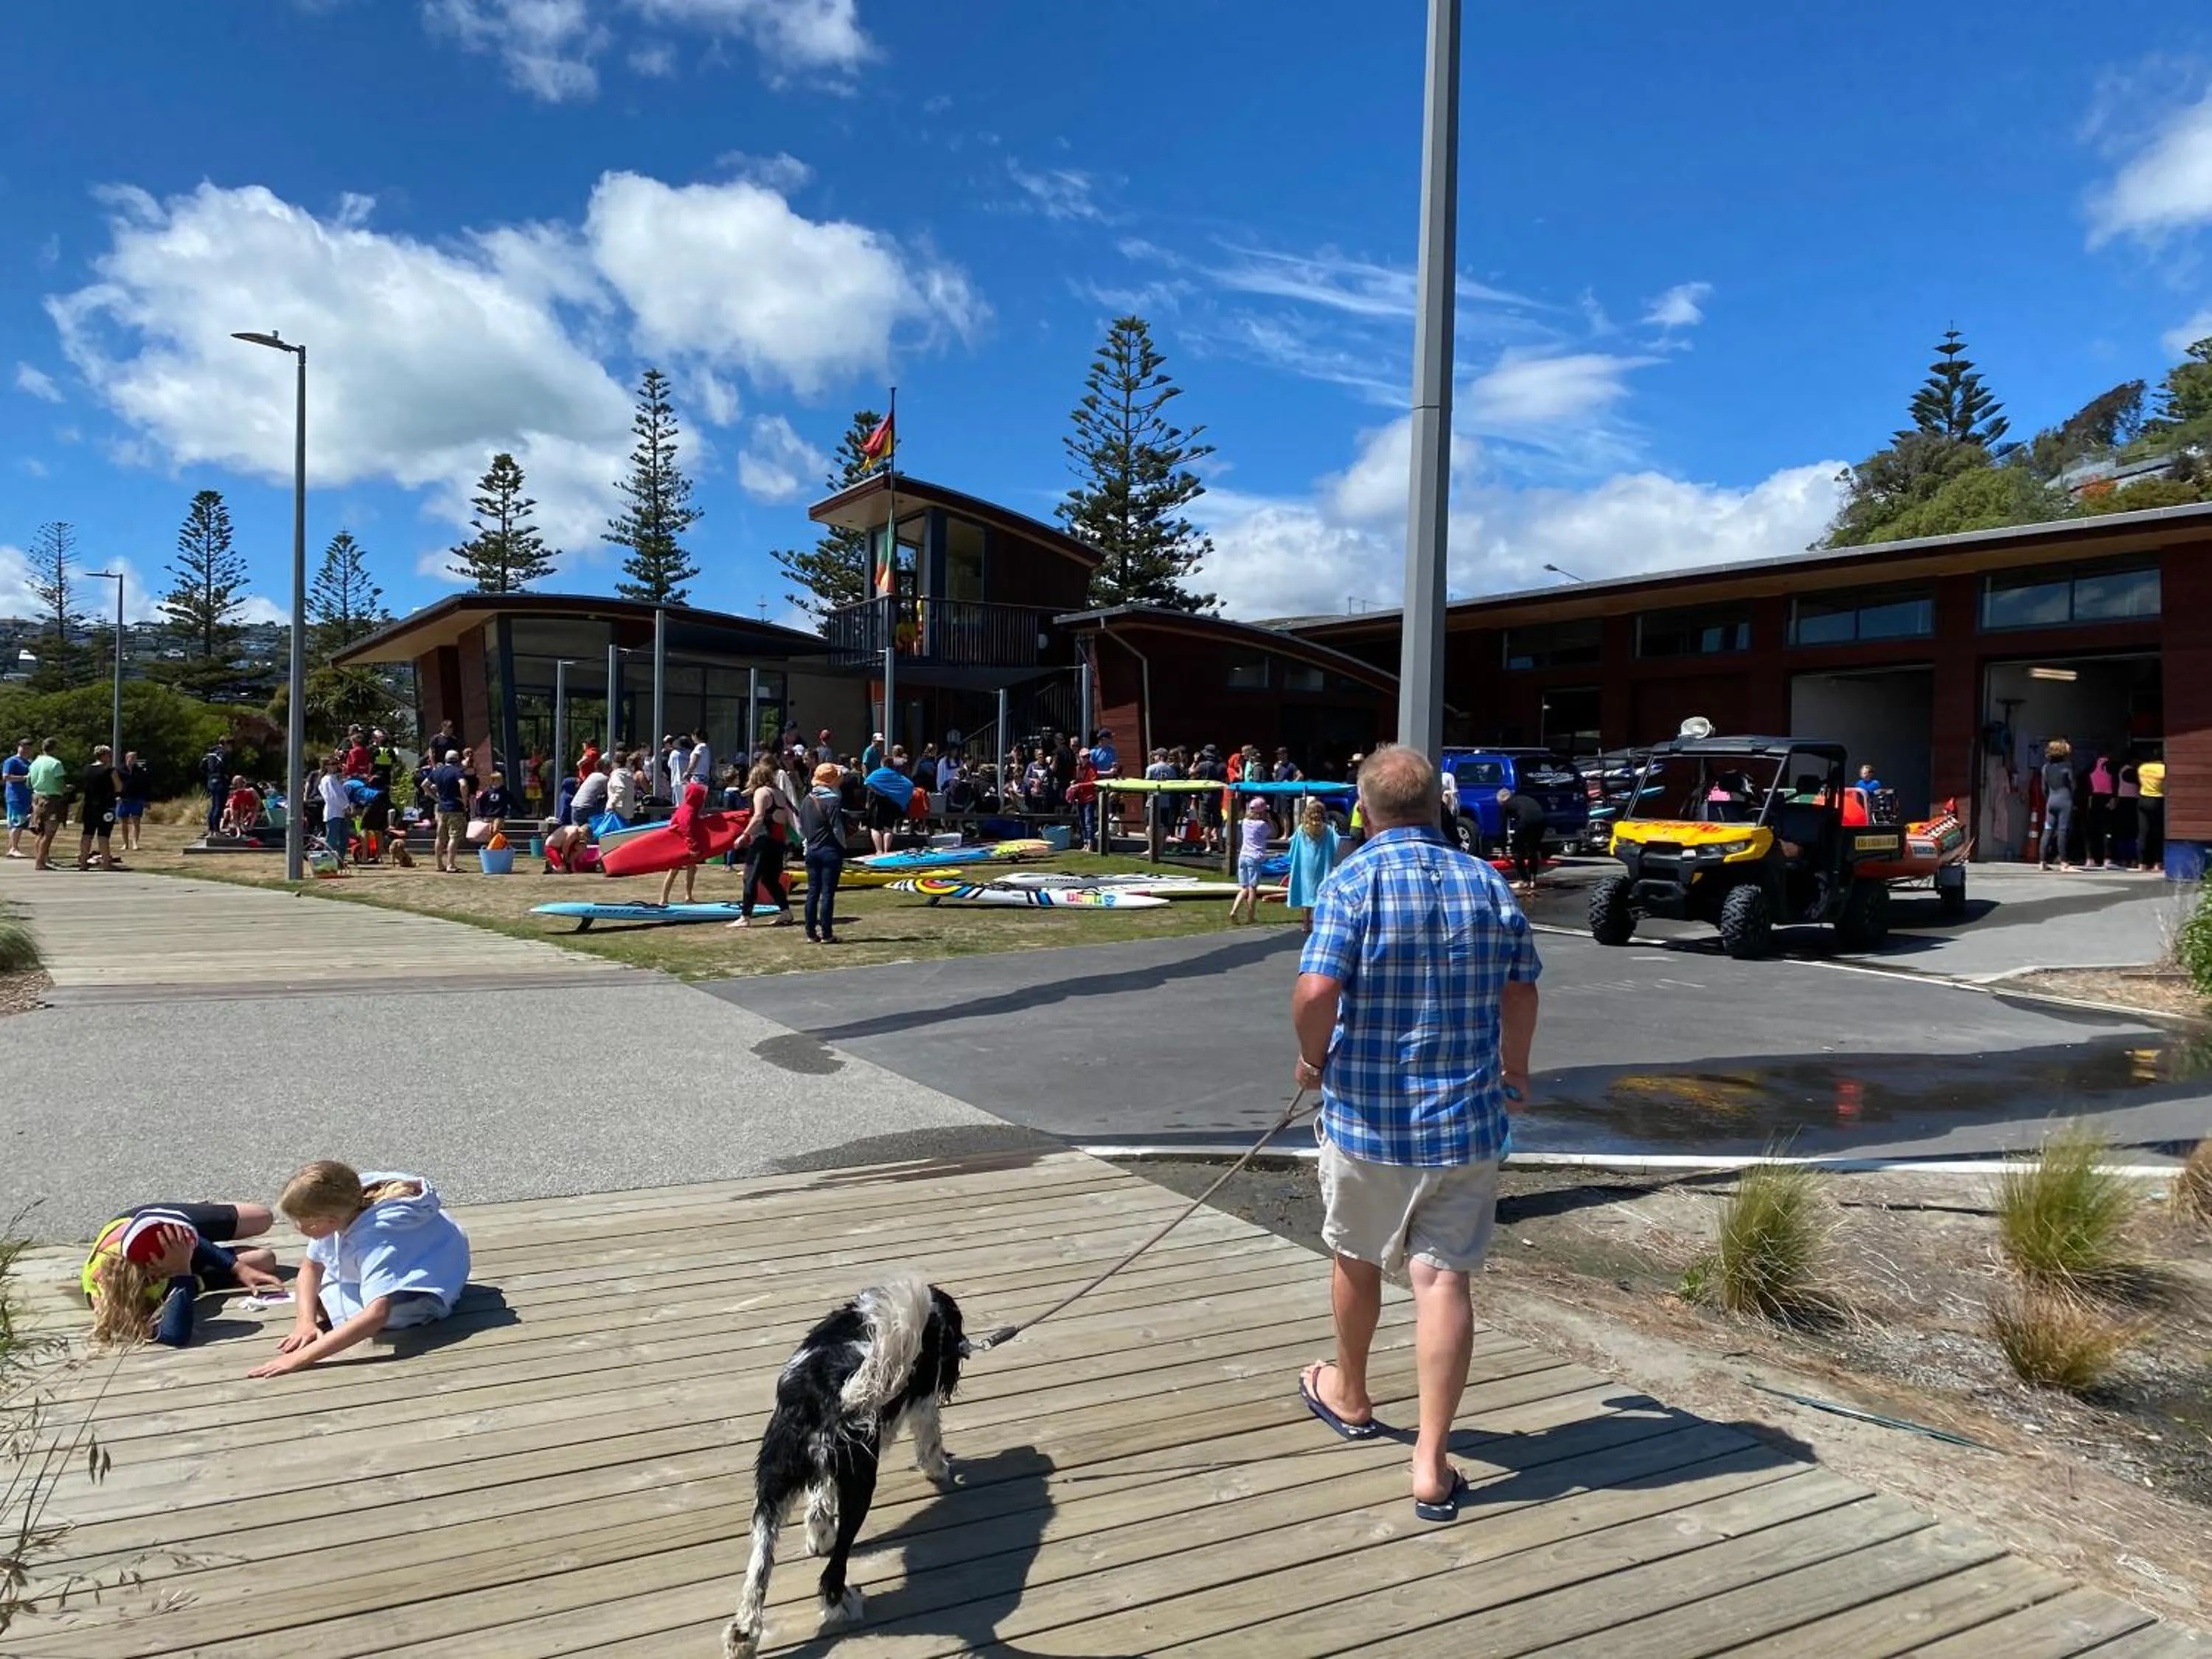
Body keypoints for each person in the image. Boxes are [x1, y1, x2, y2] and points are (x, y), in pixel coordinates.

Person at [1291, 746, 1540, 1522]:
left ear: (1365, 812)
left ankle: (1351, 1393)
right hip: (1466, 1120)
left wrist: (1311, 1059)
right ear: (1438, 806)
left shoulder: (1352, 881)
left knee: (1356, 1257)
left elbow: (1317, 988)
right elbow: (1522, 988)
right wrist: (1517, 1068)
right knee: (1444, 1280)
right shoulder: (1487, 881)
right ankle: (1431, 1460)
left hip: (1369, 1119)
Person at [248, 1161, 470, 1379]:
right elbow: (311, 1265)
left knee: (350, 1314)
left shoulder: (373, 1240)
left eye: (302, 1222)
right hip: (423, 1252)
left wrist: (299, 1359)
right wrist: (304, 1323)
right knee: (321, 1294)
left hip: (431, 1283)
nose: (297, 1227)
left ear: (330, 1220)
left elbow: (377, 1315)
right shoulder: (345, 1205)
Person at [83, 1200, 283, 1349]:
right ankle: (198, 1282)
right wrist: (182, 1272)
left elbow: (189, 1242)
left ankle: (199, 1210)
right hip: (177, 1262)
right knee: (264, 1259)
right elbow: (175, 1335)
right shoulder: (109, 1300)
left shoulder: (148, 1244)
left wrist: (238, 1268)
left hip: (148, 1224)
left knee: (263, 1217)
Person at [730, 760, 796, 928]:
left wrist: (744, 835)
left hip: (763, 841)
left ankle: (745, 916)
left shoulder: (761, 792)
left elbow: (758, 817)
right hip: (778, 841)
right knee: (770, 879)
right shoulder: (778, 792)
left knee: (750, 877)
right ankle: (785, 911)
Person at [799, 762, 847, 944]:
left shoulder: (807, 799)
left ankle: (810, 933)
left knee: (813, 892)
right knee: (827, 893)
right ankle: (827, 933)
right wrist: (843, 847)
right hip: (829, 850)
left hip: (811, 849)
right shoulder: (833, 801)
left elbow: (802, 826)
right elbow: (837, 829)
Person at [1285, 796, 1340, 935]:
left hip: (1305, 865)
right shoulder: (1328, 830)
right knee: (1320, 893)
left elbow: (1292, 844)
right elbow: (1338, 843)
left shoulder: (1302, 830)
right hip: (1322, 864)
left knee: (1306, 893)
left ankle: (1306, 924)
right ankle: (1318, 923)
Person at [658, 780, 713, 907]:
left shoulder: (688, 808)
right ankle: (663, 899)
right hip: (681, 845)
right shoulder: (688, 811)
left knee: (692, 868)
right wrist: (693, 847)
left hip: (684, 844)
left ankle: (688, 897)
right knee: (674, 870)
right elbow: (686, 829)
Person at [1229, 796, 1273, 924]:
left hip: (1243, 856)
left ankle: (1234, 910)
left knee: (1244, 888)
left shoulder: (1245, 822)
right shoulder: (1262, 825)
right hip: (1254, 857)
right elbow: (1272, 832)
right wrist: (1269, 819)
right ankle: (1250, 916)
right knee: (1253, 888)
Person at [1500, 784, 1549, 896]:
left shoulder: (1506, 804)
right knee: (1532, 849)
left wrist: (1503, 850)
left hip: (1527, 820)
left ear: (1502, 800)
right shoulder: (1521, 798)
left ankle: (1523, 880)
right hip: (1542, 820)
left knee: (1515, 848)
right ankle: (1533, 880)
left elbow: (1502, 828)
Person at [75, 745, 119, 871]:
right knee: (104, 835)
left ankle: (83, 863)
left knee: (87, 833)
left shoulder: (87, 769)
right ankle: (106, 863)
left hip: (89, 805)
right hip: (105, 806)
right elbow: (119, 787)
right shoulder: (109, 770)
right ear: (105, 756)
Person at [28, 738, 68, 871]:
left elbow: (28, 782)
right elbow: (60, 783)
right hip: (52, 799)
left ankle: (40, 858)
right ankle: (40, 862)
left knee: (40, 831)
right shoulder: (56, 763)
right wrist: (65, 789)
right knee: (49, 832)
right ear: (54, 748)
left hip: (36, 797)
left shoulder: (34, 763)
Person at [430, 749, 470, 873]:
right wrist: (464, 801)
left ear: (446, 759)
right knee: (454, 836)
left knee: (440, 837)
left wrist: (435, 798)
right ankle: (451, 865)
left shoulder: (437, 771)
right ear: (457, 760)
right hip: (455, 808)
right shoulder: (457, 772)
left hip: (441, 808)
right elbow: (463, 784)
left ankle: (439, 864)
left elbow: (424, 785)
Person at [2039, 739, 2076, 873]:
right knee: (2062, 831)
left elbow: (2043, 788)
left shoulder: (2045, 768)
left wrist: (2048, 799)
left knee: (2048, 830)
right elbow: (2073, 785)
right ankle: (2064, 863)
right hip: (2064, 801)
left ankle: (2042, 862)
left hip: (2051, 801)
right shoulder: (2067, 766)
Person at [318, 753, 354, 867]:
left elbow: (341, 795)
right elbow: (333, 797)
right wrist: (345, 806)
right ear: (326, 766)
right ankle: (328, 863)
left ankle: (339, 861)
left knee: (344, 839)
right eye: (332, 764)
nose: (335, 766)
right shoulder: (327, 780)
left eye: (336, 763)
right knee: (332, 840)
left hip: (341, 813)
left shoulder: (335, 779)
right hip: (333, 813)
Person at [2085, 754, 2118, 871]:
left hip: (2094, 798)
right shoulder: (2111, 766)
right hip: (2107, 798)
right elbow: (2115, 782)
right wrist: (2114, 798)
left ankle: (2090, 859)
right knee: (2107, 830)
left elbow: (2085, 781)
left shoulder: (2091, 766)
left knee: (2091, 830)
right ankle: (2107, 859)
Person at [116, 749, 151, 853]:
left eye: (135, 758)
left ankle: (135, 843)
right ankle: (125, 843)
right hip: (123, 799)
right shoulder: (119, 770)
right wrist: (117, 796)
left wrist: (146, 800)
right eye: (132, 757)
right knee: (124, 822)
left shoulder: (140, 771)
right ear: (127, 758)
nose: (133, 759)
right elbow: (115, 784)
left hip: (137, 799)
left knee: (136, 821)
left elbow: (145, 786)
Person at [4, 737, 34, 859]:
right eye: (23, 747)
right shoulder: (12, 761)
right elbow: (6, 777)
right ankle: (13, 848)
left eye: (28, 748)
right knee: (17, 823)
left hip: (28, 797)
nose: (25, 750)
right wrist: (24, 778)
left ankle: (14, 847)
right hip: (15, 796)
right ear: (18, 747)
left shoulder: (30, 763)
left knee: (24, 823)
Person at [2138, 750, 2167, 873]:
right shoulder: (2163, 769)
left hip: (2143, 799)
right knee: (2157, 833)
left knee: (2143, 832)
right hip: (2157, 800)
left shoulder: (2142, 768)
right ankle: (2157, 863)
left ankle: (2142, 864)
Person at [202, 737, 230, 838]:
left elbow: (201, 766)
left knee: (213, 805)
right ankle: (217, 831)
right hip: (220, 781)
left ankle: (211, 830)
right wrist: (226, 775)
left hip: (211, 781)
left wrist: (210, 775)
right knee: (219, 806)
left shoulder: (210, 753)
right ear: (226, 744)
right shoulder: (223, 753)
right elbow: (224, 766)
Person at [220, 774, 262, 838]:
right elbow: (258, 800)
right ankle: (247, 828)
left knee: (234, 816)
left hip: (243, 808)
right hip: (246, 809)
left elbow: (232, 808)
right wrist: (256, 808)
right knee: (235, 814)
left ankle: (239, 831)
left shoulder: (236, 794)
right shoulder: (250, 791)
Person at [475, 770, 512, 839]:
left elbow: (512, 801)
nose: (499, 782)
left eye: (500, 780)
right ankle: (492, 843)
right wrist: (480, 814)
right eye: (497, 780)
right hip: (489, 814)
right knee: (489, 831)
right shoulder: (487, 792)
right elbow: (481, 803)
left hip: (499, 815)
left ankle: (495, 842)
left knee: (496, 829)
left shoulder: (504, 792)